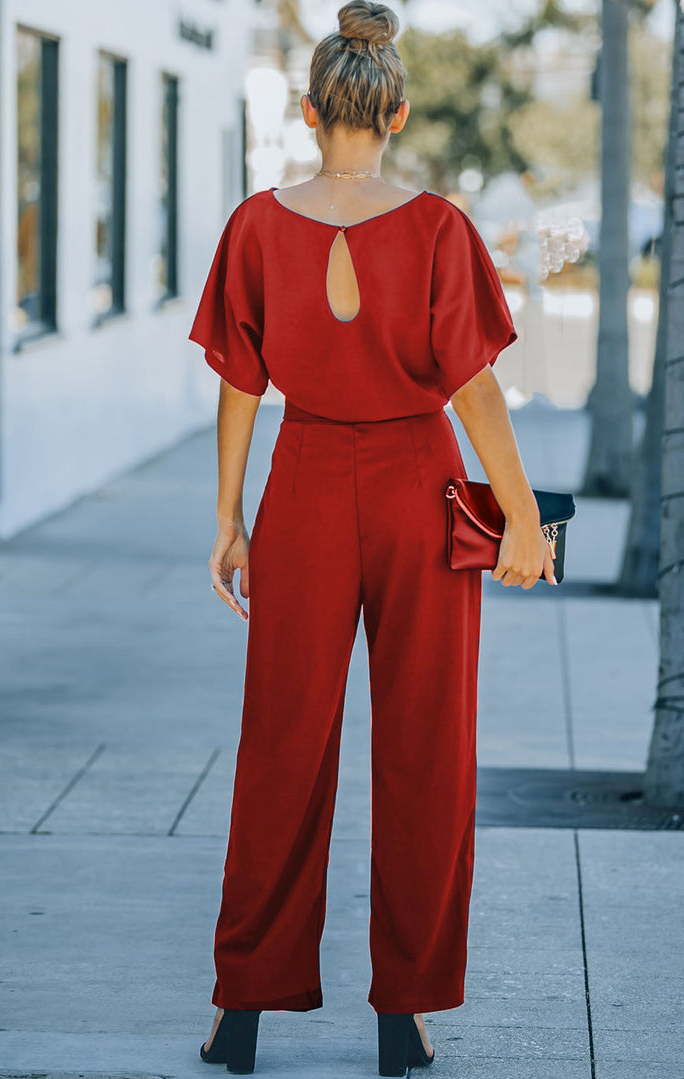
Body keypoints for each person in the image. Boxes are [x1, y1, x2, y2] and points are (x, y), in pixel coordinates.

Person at [188, 2, 556, 1074]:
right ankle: (406, 1012)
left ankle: (242, 1008)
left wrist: (230, 516)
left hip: (303, 483)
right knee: (426, 748)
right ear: (397, 113)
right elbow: (474, 390)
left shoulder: (257, 226)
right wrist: (520, 514)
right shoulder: (439, 228)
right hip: (418, 487)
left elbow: (241, 386)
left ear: (310, 112)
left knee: (281, 744)